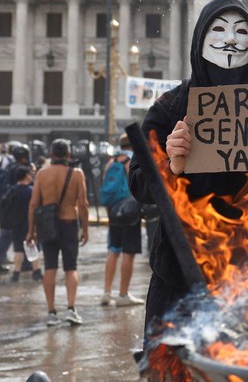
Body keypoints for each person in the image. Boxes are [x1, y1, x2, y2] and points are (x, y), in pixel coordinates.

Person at [128, 0, 248, 342]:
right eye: (219, 29)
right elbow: (139, 184)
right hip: (179, 275)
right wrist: (171, 164)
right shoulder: (171, 105)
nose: (231, 40)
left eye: (241, 31)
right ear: (200, 40)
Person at [26, 139, 90, 327]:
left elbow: (33, 204)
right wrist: (85, 229)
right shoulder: (77, 174)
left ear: (52, 155)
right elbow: (83, 205)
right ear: (69, 155)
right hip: (69, 223)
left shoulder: (42, 174)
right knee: (71, 268)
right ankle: (71, 309)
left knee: (50, 268)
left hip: (47, 226)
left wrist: (31, 231)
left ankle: (51, 312)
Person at [101, 133, 145, 307]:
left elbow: (105, 188)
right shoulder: (133, 161)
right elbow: (138, 188)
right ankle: (123, 294)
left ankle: (106, 292)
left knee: (113, 250)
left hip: (113, 212)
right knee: (129, 253)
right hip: (129, 212)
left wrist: (110, 211)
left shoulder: (111, 162)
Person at [1, 165, 42, 282]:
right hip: (30, 224)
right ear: (26, 176)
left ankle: (16, 273)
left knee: (18, 249)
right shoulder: (31, 191)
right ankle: (37, 272)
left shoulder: (12, 190)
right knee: (33, 247)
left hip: (16, 225)